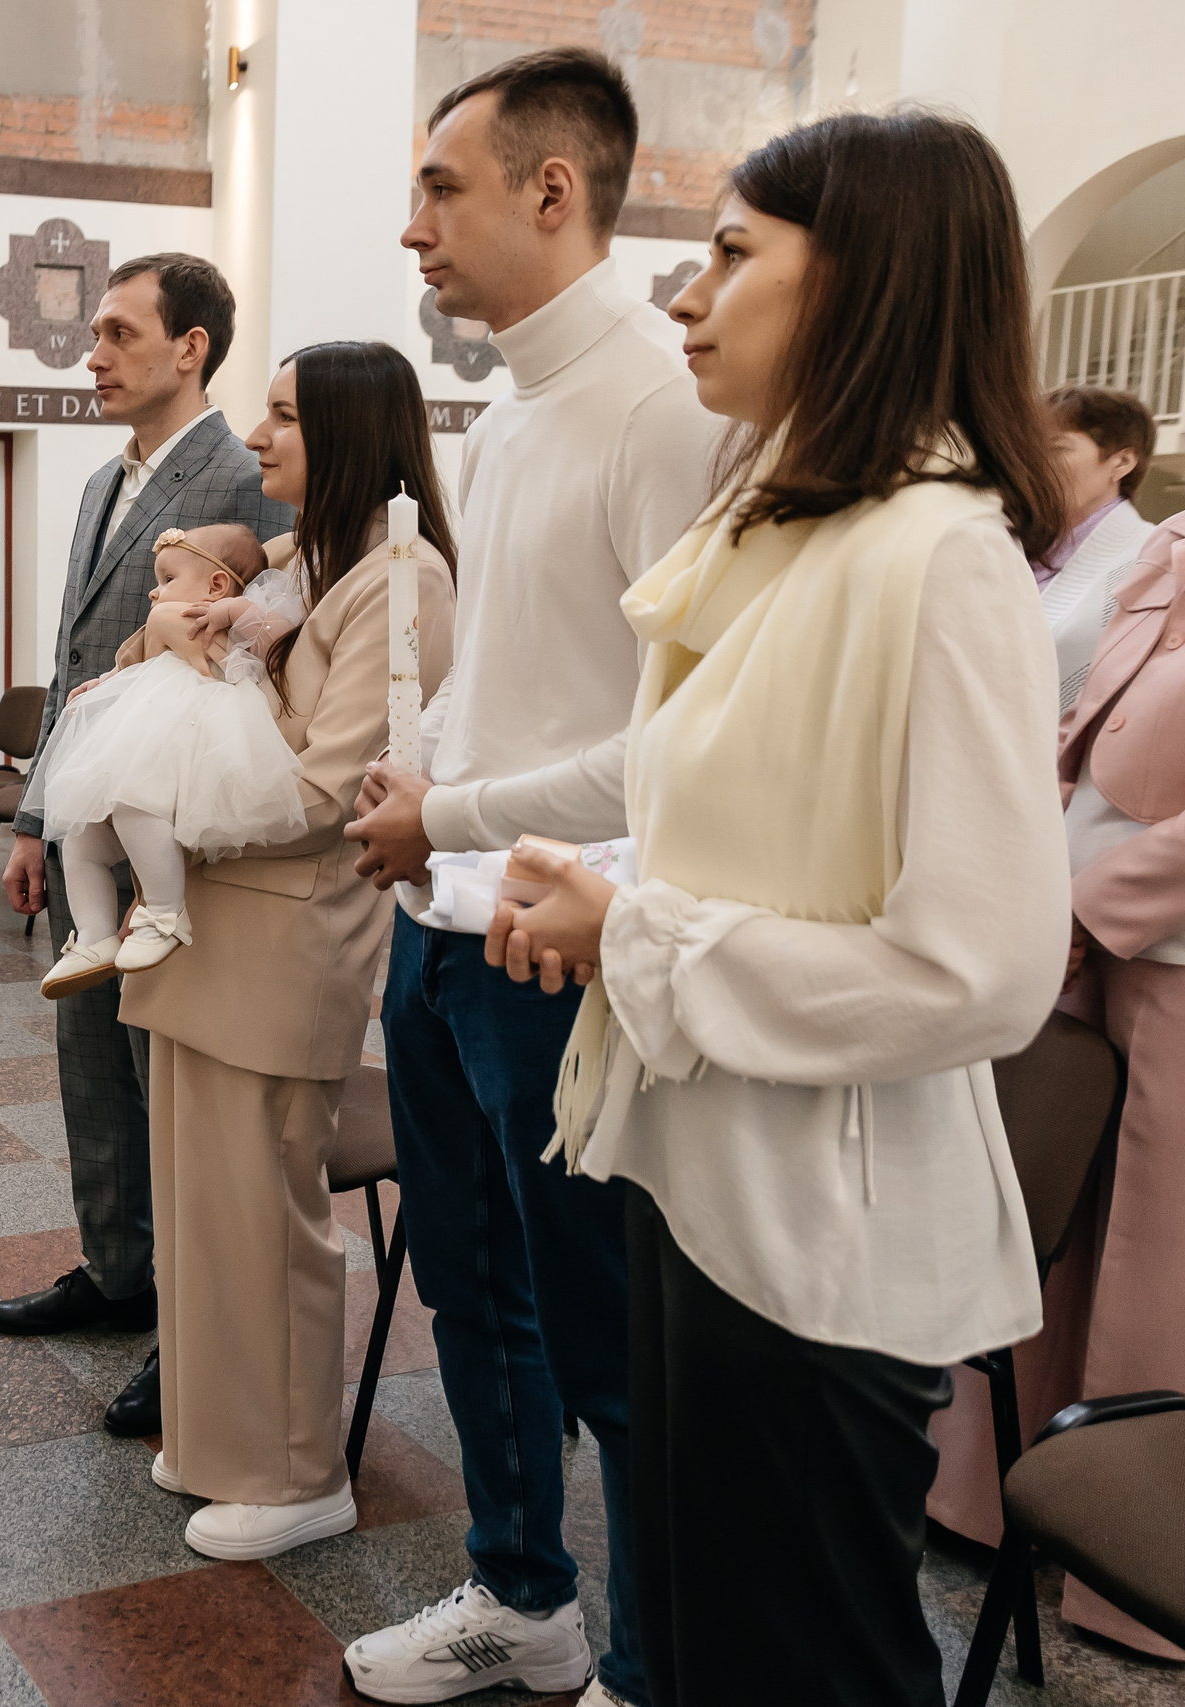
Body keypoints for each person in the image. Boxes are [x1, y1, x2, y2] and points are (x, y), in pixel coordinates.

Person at [489, 109, 1070, 1705]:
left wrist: (638, 936)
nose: (690, 296)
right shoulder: (794, 532)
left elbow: (982, 971)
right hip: (709, 1173)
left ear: (863, 280)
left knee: (803, 1665)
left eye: (736, 254)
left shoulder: (941, 559)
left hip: (825, 1235)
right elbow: (739, 823)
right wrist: (598, 892)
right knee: (702, 1643)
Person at [338, 48, 716, 1707]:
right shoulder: (505, 412)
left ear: (553, 193)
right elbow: (511, 671)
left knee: (602, 1330)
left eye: (442, 188)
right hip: (444, 920)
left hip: (554, 937)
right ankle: (521, 1591)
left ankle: (648, 1661)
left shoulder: (662, 401)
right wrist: (426, 804)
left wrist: (458, 810)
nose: (410, 225)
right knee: (470, 1289)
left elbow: (681, 746)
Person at [114, 339, 456, 1559]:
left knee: (267, 1213)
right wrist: (188, 640)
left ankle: (301, 1469)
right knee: (202, 1209)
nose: (256, 441)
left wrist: (222, 659)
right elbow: (157, 647)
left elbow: (323, 787)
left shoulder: (398, 582)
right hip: (214, 929)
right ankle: (220, 1441)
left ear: (358, 434)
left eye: (283, 420)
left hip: (286, 934)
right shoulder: (308, 559)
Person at [0, 253, 293, 1442]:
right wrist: (33, 815)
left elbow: (268, 657)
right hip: (87, 812)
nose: (93, 353)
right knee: (87, 1059)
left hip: (181, 836)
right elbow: (73, 666)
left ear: (191, 349)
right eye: (96, 334)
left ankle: (190, 1328)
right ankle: (116, 1274)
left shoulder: (246, 473)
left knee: (172, 1082)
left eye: (118, 332)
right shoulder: (104, 482)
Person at [927, 515, 1185, 1663]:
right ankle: (990, 1498)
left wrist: (1091, 901)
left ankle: (1135, 1571)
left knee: (1152, 1260)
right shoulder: (1169, 544)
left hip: (1157, 942)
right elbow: (1080, 727)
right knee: (1050, 1236)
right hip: (1082, 928)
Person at [34, 520, 309, 995]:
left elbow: (283, 644)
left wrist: (236, 609)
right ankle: (96, 935)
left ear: (217, 584)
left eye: (167, 579)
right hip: (144, 736)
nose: (153, 593)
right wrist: (103, 685)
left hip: (200, 739)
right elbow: (132, 665)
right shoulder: (160, 626)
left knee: (134, 800)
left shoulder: (230, 618)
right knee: (80, 832)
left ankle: (164, 910)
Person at [1033, 384, 1158, 712]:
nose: (1036, 465)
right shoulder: (1011, 545)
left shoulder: (1155, 556)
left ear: (1121, 462)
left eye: (1057, 448)